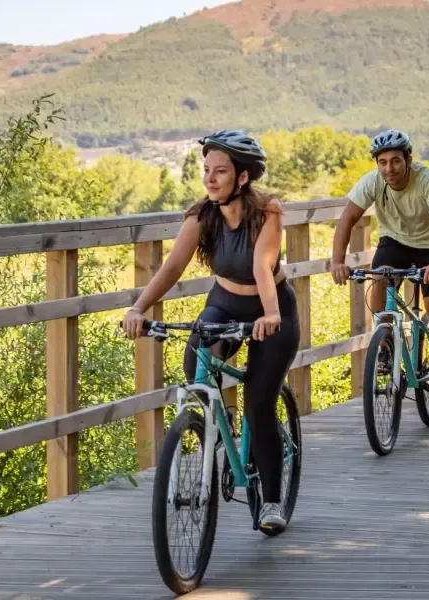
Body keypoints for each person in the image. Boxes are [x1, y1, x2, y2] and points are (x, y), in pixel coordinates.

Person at [120, 129, 301, 530]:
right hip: (225, 303)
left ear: (242, 176)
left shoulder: (267, 212)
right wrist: (138, 307)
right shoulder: (202, 216)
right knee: (196, 371)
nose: (210, 178)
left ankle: (272, 502)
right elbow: (172, 267)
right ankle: (220, 425)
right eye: (206, 170)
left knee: (259, 404)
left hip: (272, 308)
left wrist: (271, 314)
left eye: (220, 171)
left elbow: (262, 265)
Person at [329, 129, 429, 402]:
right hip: (395, 242)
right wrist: (337, 261)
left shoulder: (427, 180)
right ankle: (385, 346)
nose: (389, 168)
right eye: (383, 162)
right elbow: (347, 219)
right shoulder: (372, 182)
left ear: (408, 160)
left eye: (396, 161)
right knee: (378, 282)